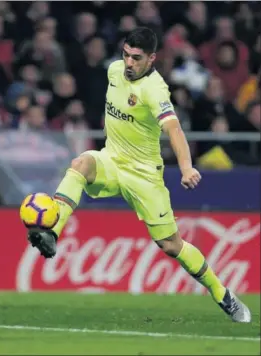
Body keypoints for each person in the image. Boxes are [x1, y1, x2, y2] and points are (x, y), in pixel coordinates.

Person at [27, 27, 251, 323]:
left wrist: (186, 167)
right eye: (126, 55)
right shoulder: (114, 71)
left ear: (151, 59)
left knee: (171, 245)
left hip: (144, 175)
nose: (129, 63)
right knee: (80, 163)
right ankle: (52, 233)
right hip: (111, 160)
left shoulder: (156, 90)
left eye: (136, 58)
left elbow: (174, 130)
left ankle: (222, 294)